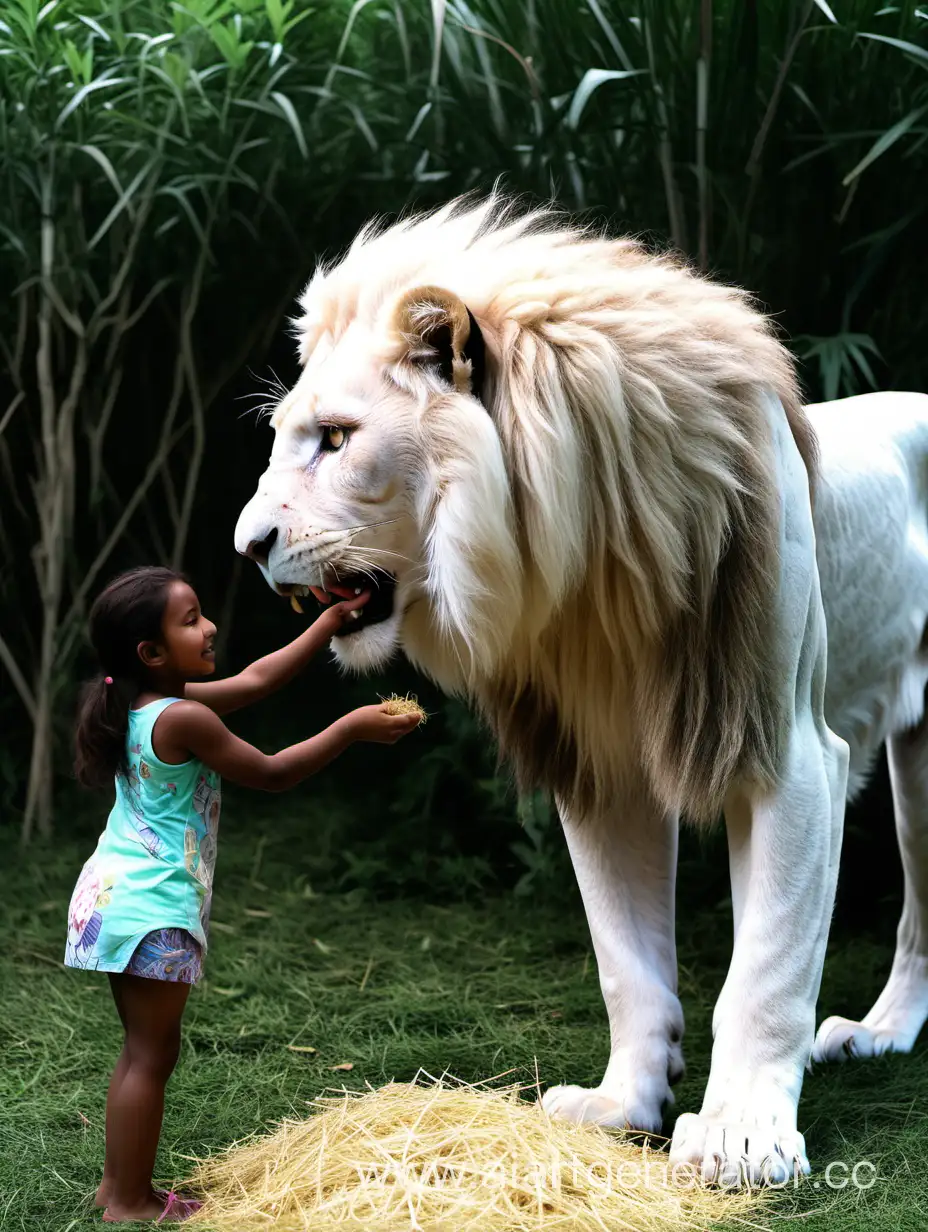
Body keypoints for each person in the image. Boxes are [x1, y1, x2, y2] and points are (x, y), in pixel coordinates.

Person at [65, 565, 419, 1223]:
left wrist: (326, 623)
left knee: (142, 1051)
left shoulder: (149, 705)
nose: (210, 626)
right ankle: (132, 1201)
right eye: (191, 618)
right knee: (151, 1054)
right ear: (152, 652)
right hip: (153, 910)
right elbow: (273, 773)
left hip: (114, 897)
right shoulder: (184, 719)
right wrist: (350, 728)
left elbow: (257, 680)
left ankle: (118, 1189)